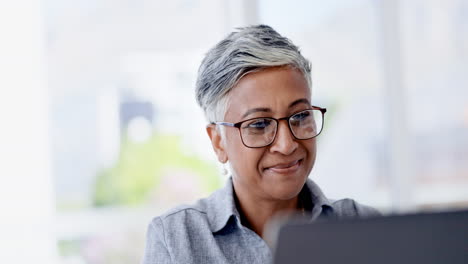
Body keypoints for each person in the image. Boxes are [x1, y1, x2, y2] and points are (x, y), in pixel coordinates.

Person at [142, 24, 380, 264]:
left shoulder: (366, 226)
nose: (286, 145)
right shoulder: (177, 239)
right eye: (259, 124)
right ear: (218, 142)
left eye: (300, 116)